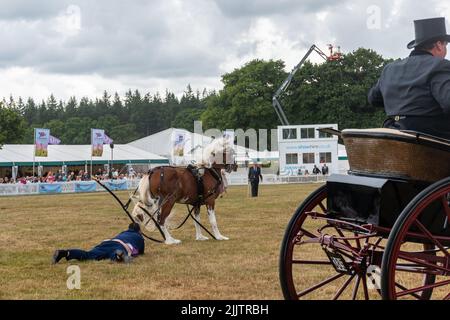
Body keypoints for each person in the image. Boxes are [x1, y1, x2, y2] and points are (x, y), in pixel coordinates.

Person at [368, 17, 450, 140]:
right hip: (430, 139)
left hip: (393, 133)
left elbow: (373, 99)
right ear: (439, 45)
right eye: (445, 45)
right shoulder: (440, 65)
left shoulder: (390, 69)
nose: (446, 50)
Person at [52, 222, 145, 264]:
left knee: (88, 255)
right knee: (115, 254)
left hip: (107, 242)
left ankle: (65, 253)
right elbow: (141, 252)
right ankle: (118, 255)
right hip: (121, 245)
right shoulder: (139, 237)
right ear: (139, 230)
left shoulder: (123, 232)